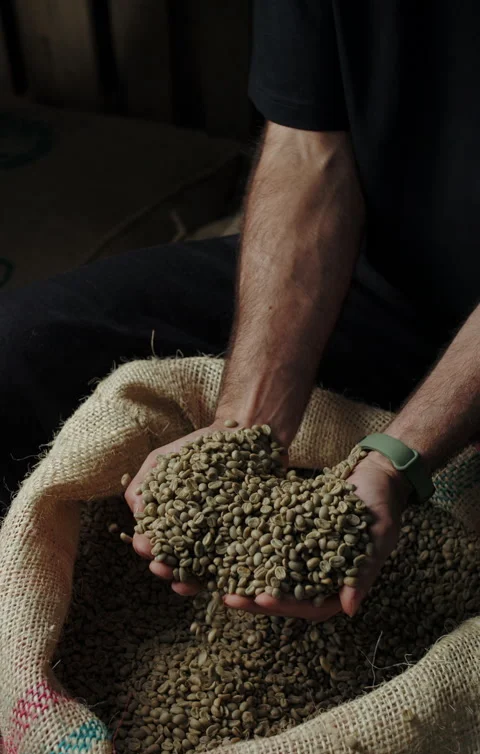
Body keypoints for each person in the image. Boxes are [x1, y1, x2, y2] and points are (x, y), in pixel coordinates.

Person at [3, 1, 479, 621]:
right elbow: (309, 148)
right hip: (369, 272)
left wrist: (396, 459)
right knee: (21, 347)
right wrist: (246, 427)